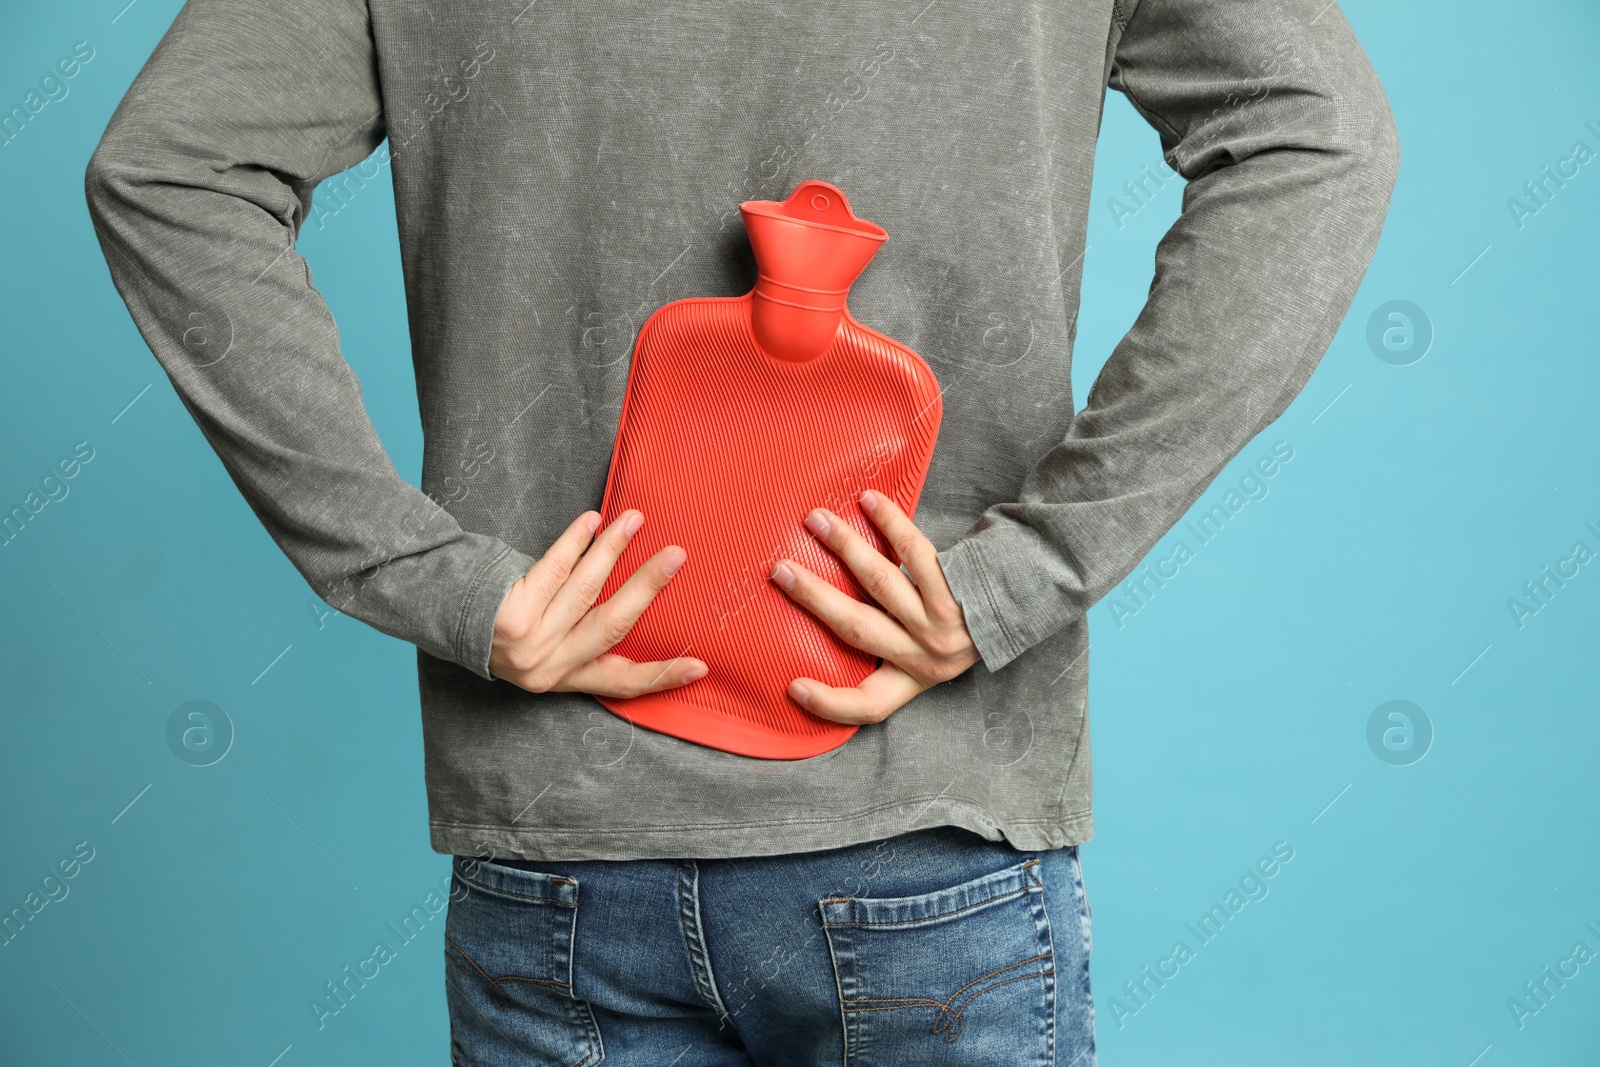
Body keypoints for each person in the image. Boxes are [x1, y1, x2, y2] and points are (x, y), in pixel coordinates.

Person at [85, 0, 1398, 1062]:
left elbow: (169, 164)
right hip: (929, 828)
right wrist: (1024, 574)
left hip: (563, 859)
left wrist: (424, 576)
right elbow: (1320, 131)